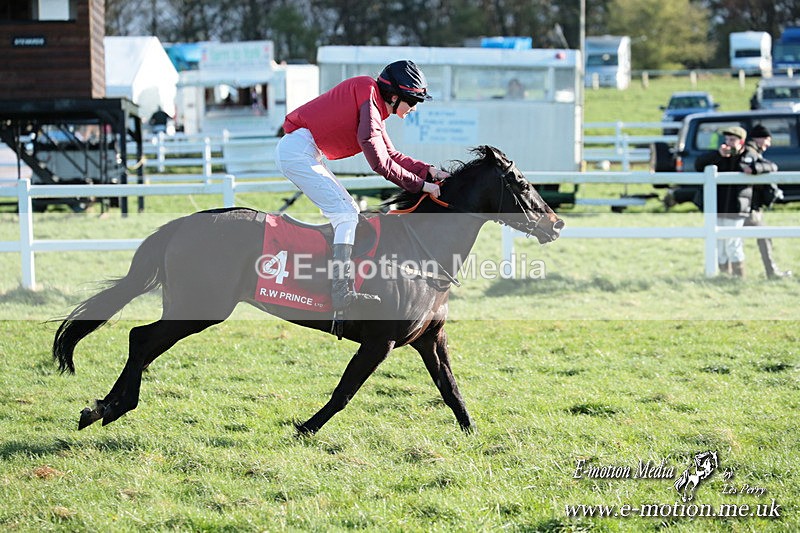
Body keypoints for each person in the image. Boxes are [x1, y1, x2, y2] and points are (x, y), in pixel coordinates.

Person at [275, 60, 449, 324]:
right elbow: (380, 162)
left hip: (304, 151)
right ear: (394, 96)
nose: (414, 108)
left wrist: (429, 171)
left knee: (348, 213)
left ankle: (337, 283)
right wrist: (422, 186)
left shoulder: (373, 101)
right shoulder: (367, 93)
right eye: (413, 102)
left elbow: (391, 154)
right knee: (347, 214)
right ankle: (340, 292)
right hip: (298, 152)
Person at [694, 126, 752, 277]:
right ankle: (724, 275)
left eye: (732, 140)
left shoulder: (748, 155)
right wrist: (718, 155)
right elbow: (698, 164)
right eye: (727, 139)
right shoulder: (718, 155)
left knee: (733, 243)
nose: (728, 143)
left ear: (741, 142)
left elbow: (768, 165)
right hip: (717, 206)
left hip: (736, 207)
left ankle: (739, 275)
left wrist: (753, 169)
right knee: (719, 245)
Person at [742, 124, 792, 279]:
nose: (768, 144)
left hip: (747, 204)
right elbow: (750, 167)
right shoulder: (750, 152)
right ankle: (771, 271)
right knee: (764, 236)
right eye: (767, 140)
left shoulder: (751, 151)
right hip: (748, 206)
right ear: (759, 138)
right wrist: (769, 167)